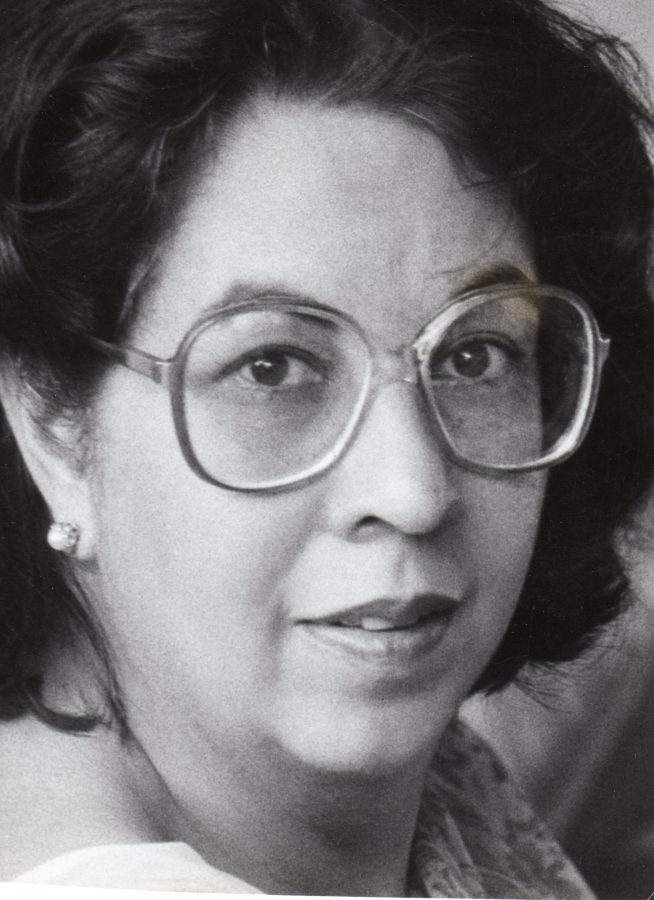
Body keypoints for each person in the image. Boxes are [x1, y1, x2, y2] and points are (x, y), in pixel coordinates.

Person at [0, 0, 652, 895]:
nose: (413, 490)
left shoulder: (432, 785)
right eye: (272, 368)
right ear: (52, 426)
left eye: (476, 355)